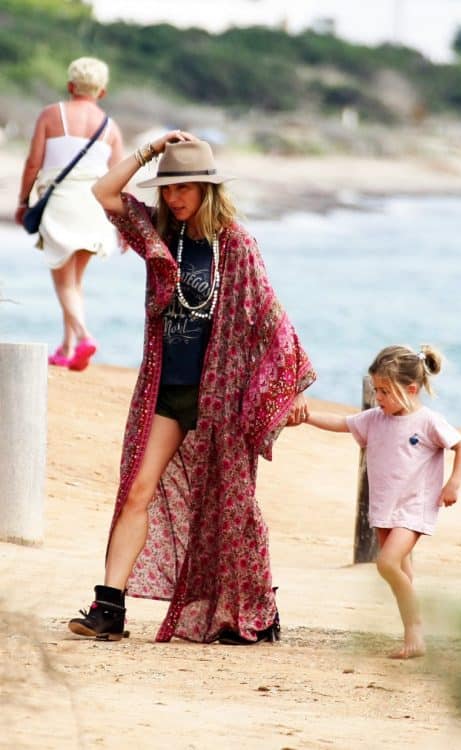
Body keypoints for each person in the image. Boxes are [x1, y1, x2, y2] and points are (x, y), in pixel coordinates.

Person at [68, 133, 315, 644]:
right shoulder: (160, 233)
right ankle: (108, 608)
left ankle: (255, 610)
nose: (174, 197)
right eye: (167, 188)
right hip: (167, 390)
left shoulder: (236, 243)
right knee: (137, 489)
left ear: (207, 189)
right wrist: (150, 151)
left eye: (184, 188)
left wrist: (289, 387)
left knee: (233, 505)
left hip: (222, 395)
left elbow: (270, 317)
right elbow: (105, 194)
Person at [299, 344, 461, 659]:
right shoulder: (376, 419)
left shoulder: (428, 421)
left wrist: (453, 483)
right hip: (384, 509)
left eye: (385, 392)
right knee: (402, 573)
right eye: (376, 390)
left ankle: (415, 628)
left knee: (387, 563)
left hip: (414, 507)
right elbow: (342, 423)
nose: (378, 397)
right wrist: (306, 417)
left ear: (411, 389)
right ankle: (413, 637)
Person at [15, 56, 124, 371]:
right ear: (102, 92)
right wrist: (123, 224)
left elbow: (33, 163)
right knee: (74, 281)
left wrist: (24, 201)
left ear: (70, 85)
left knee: (63, 281)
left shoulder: (51, 114)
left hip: (61, 203)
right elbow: (117, 179)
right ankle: (69, 348)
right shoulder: (110, 127)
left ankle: (84, 336)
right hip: (93, 207)